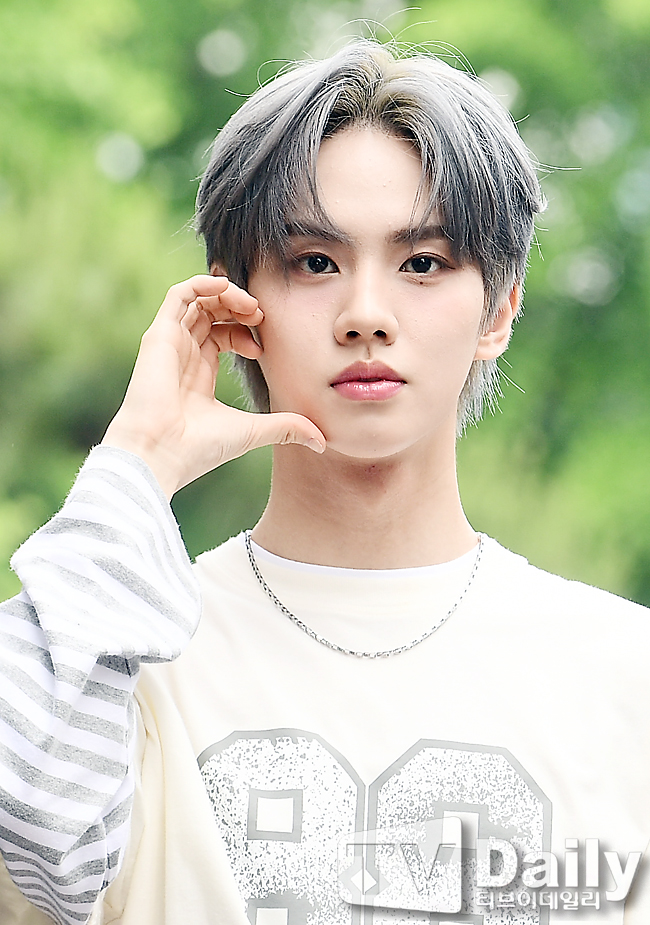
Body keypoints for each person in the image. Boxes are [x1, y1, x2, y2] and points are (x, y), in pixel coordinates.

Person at [0, 39, 648, 925]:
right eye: (314, 262)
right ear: (235, 308)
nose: (366, 315)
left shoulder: (623, 675)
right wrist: (138, 459)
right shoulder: (117, 669)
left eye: (423, 263)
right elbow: (27, 841)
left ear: (499, 310)